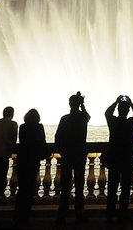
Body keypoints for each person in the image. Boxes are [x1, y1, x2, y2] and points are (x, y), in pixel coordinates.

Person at [103, 95, 133, 220]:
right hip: (128, 158)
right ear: (127, 111)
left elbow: (107, 113)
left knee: (112, 187)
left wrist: (115, 102)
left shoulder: (113, 122)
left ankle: (110, 213)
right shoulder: (130, 123)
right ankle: (123, 213)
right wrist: (131, 103)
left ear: (118, 110)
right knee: (126, 187)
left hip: (114, 158)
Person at [55, 91, 91, 223]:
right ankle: (79, 214)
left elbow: (57, 138)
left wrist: (63, 151)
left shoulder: (64, 119)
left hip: (67, 156)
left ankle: (62, 215)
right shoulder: (82, 117)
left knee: (65, 187)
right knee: (80, 186)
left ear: (69, 104)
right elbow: (88, 116)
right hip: (79, 155)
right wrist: (82, 104)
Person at [14, 108, 50, 226]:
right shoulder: (39, 127)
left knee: (22, 187)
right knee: (29, 188)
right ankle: (25, 216)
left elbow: (22, 141)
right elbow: (41, 141)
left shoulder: (22, 127)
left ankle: (17, 215)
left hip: (22, 159)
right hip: (33, 160)